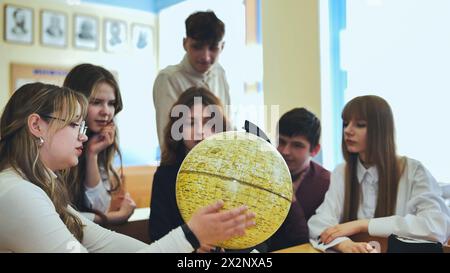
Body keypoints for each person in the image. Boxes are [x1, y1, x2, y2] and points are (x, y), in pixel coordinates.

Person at [0, 82, 255, 253]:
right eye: (74, 125)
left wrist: (192, 237)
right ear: (36, 126)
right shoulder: (19, 193)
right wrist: (191, 235)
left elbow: (104, 241)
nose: (83, 136)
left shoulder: (39, 188)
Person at [308, 95, 450, 253]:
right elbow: (319, 223)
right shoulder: (342, 171)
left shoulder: (414, 171)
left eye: (360, 125)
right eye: (346, 123)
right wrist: (345, 244)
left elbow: (437, 227)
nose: (348, 131)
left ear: (382, 130)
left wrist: (362, 224)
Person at [149, 87, 229, 249]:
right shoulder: (165, 175)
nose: (200, 132)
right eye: (191, 123)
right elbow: (158, 236)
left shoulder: (235, 170)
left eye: (209, 123)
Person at [63, 63, 133, 225]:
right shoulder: (58, 141)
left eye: (111, 103)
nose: (106, 111)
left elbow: (99, 207)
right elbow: (60, 216)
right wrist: (116, 217)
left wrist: (92, 155)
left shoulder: (98, 140)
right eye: (96, 102)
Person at [153, 10, 230, 147]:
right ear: (185, 43)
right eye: (197, 47)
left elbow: (226, 130)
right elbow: (167, 141)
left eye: (213, 48)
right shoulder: (169, 79)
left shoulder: (220, 73)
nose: (205, 57)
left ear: (222, 47)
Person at [266, 108, 330, 252]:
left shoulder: (327, 185)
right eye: (281, 142)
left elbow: (306, 240)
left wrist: (289, 196)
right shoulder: (263, 174)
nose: (285, 151)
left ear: (315, 150)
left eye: (297, 145)